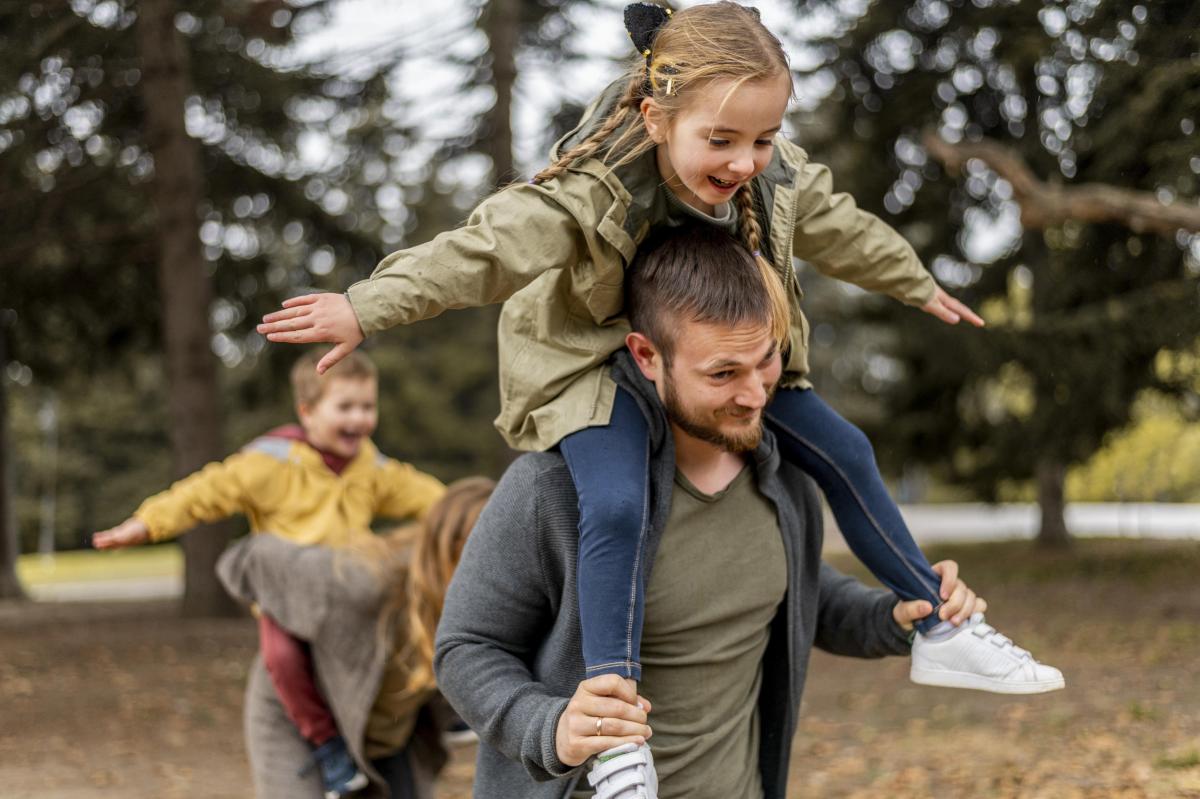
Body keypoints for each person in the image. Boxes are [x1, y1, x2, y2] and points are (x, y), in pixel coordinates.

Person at [257, 0, 1061, 784]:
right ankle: (615, 725)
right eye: (722, 139)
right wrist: (367, 305)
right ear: (654, 118)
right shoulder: (594, 193)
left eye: (763, 137)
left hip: (700, 366)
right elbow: (488, 247)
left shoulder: (771, 472)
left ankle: (948, 626)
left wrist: (914, 281)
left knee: (847, 449)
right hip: (592, 374)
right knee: (616, 504)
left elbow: (834, 222)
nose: (745, 161)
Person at [434, 224, 1038, 799]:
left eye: (767, 361)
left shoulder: (785, 476)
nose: (755, 395)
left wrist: (894, 618)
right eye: (723, 373)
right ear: (646, 355)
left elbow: (795, 591)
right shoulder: (552, 488)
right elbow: (466, 648)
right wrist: (551, 728)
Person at [92, 350, 446, 799]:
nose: (360, 419)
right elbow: (206, 491)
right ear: (307, 412)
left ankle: (445, 707)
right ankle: (327, 745)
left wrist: (471, 514)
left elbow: (425, 496)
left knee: (414, 619)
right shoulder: (271, 462)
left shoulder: (368, 468)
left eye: (368, 407)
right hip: (289, 596)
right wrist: (148, 523)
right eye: (346, 407)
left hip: (345, 593)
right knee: (282, 657)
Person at [217, 477, 495, 799]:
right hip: (302, 718)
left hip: (382, 726)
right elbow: (254, 556)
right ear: (454, 544)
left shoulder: (489, 600)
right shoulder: (361, 583)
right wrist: (276, 621)